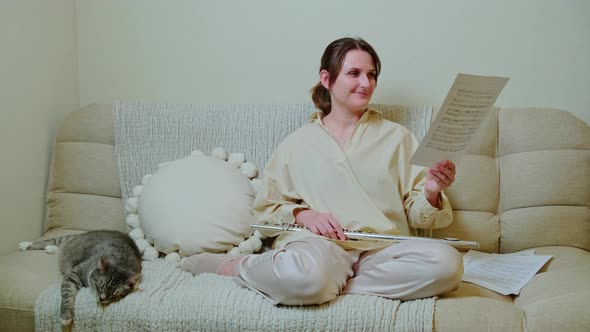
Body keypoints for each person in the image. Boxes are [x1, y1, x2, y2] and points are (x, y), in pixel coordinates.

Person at [181, 37, 463, 305]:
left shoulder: (398, 137)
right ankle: (236, 266)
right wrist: (304, 215)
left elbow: (420, 215)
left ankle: (324, 286)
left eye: (372, 74)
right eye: (354, 73)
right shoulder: (297, 143)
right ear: (327, 78)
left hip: (382, 251)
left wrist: (431, 191)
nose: (366, 83)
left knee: (448, 264)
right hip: (319, 249)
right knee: (311, 273)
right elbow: (265, 211)